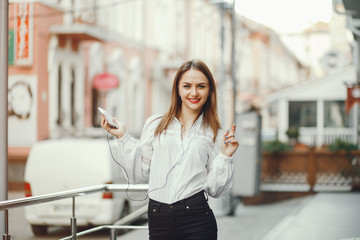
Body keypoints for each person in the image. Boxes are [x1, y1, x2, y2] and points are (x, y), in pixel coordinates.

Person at [100, 59, 239, 240]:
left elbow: (215, 190)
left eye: (201, 86)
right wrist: (123, 137)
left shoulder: (216, 133)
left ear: (210, 90)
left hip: (197, 218)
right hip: (159, 217)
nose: (194, 92)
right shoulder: (155, 124)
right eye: (187, 86)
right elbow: (137, 174)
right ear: (178, 89)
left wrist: (225, 157)